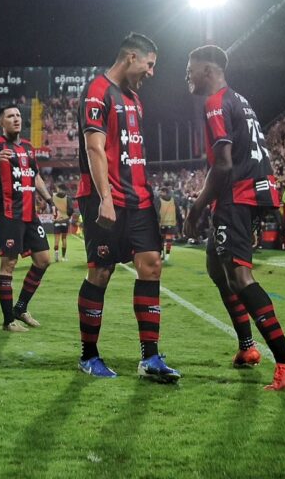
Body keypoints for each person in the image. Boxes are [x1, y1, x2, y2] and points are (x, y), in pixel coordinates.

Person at [184, 44, 285, 391]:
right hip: (250, 191)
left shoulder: (215, 103)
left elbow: (222, 164)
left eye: (190, 68)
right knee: (215, 266)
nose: (187, 76)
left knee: (239, 276)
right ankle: (247, 347)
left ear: (208, 70)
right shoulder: (240, 99)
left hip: (237, 195)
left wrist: (196, 208)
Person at [75, 32, 180, 382]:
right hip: (106, 199)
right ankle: (89, 356)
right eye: (150, 65)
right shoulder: (97, 91)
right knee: (101, 272)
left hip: (138, 199)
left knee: (151, 267)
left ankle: (150, 358)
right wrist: (105, 197)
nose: (151, 73)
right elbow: (94, 149)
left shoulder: (134, 99)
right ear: (132, 57)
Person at [0, 105, 54, 333]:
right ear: (2, 122)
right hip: (9, 215)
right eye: (11, 116)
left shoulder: (28, 147)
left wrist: (48, 198)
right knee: (8, 265)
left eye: (18, 115)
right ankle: (8, 320)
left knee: (44, 260)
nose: (16, 119)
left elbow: (35, 175)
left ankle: (21, 307)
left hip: (30, 215)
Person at [156, 186, 180, 262]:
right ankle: (167, 255)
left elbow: (157, 212)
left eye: (161, 192)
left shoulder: (159, 200)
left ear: (165, 192)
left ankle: (162, 254)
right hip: (171, 223)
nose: (160, 193)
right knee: (169, 240)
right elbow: (178, 212)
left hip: (162, 223)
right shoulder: (173, 200)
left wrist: (157, 221)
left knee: (162, 240)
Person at [51, 184, 73, 262]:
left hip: (56, 221)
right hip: (65, 221)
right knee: (64, 239)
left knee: (56, 239)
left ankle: (56, 255)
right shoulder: (68, 198)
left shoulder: (54, 198)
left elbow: (52, 209)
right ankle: (63, 257)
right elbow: (71, 210)